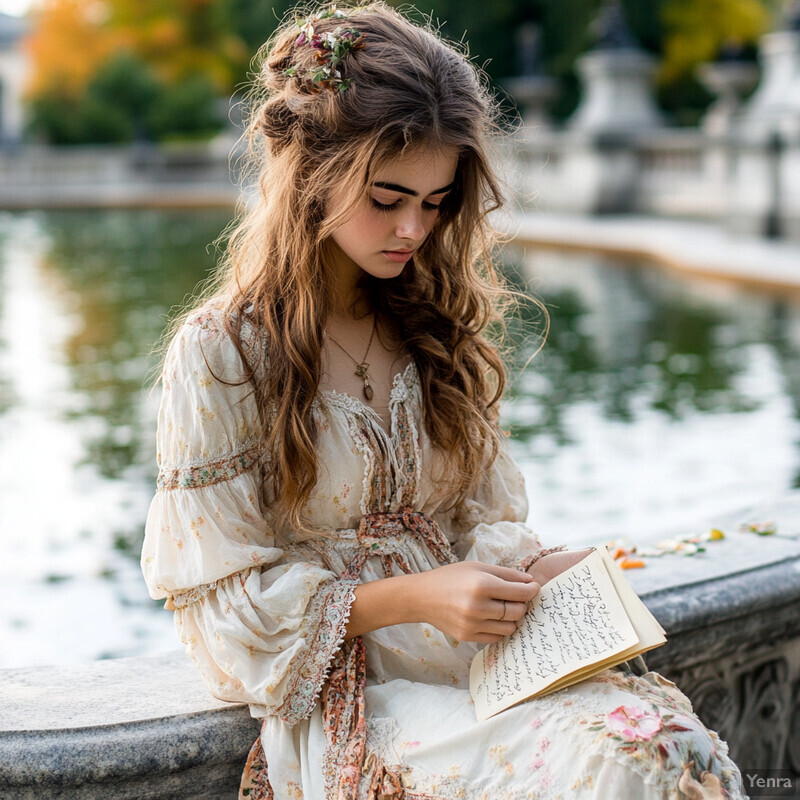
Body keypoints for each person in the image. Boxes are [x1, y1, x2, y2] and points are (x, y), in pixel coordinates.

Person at [141, 3, 746, 798]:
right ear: (310, 173)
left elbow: (479, 524)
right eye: (388, 199)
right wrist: (409, 597)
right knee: (619, 760)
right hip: (357, 691)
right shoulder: (223, 354)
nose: (413, 230)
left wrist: (540, 571)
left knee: (668, 744)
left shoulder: (432, 323)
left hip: (484, 661)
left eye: (435, 203)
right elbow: (217, 610)